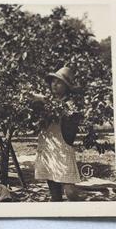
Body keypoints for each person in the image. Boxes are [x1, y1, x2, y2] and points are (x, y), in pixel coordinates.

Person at [34, 67, 82, 201]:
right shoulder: (46, 102)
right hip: (47, 145)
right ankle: (57, 208)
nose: (54, 84)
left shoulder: (70, 104)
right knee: (52, 183)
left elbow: (68, 116)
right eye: (53, 81)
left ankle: (82, 211)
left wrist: (45, 101)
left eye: (59, 82)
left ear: (66, 87)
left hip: (61, 147)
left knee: (70, 189)